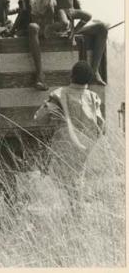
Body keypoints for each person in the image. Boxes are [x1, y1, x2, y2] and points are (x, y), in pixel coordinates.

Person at [34, 61, 105, 211]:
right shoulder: (93, 97)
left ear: (71, 75)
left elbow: (38, 118)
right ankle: (76, 212)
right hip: (86, 146)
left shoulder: (59, 94)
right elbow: (100, 124)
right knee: (77, 180)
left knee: (62, 183)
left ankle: (72, 213)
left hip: (64, 145)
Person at [31, 0, 107, 85]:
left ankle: (94, 70)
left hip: (69, 24)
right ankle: (57, 31)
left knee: (102, 27)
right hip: (58, 25)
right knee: (64, 23)